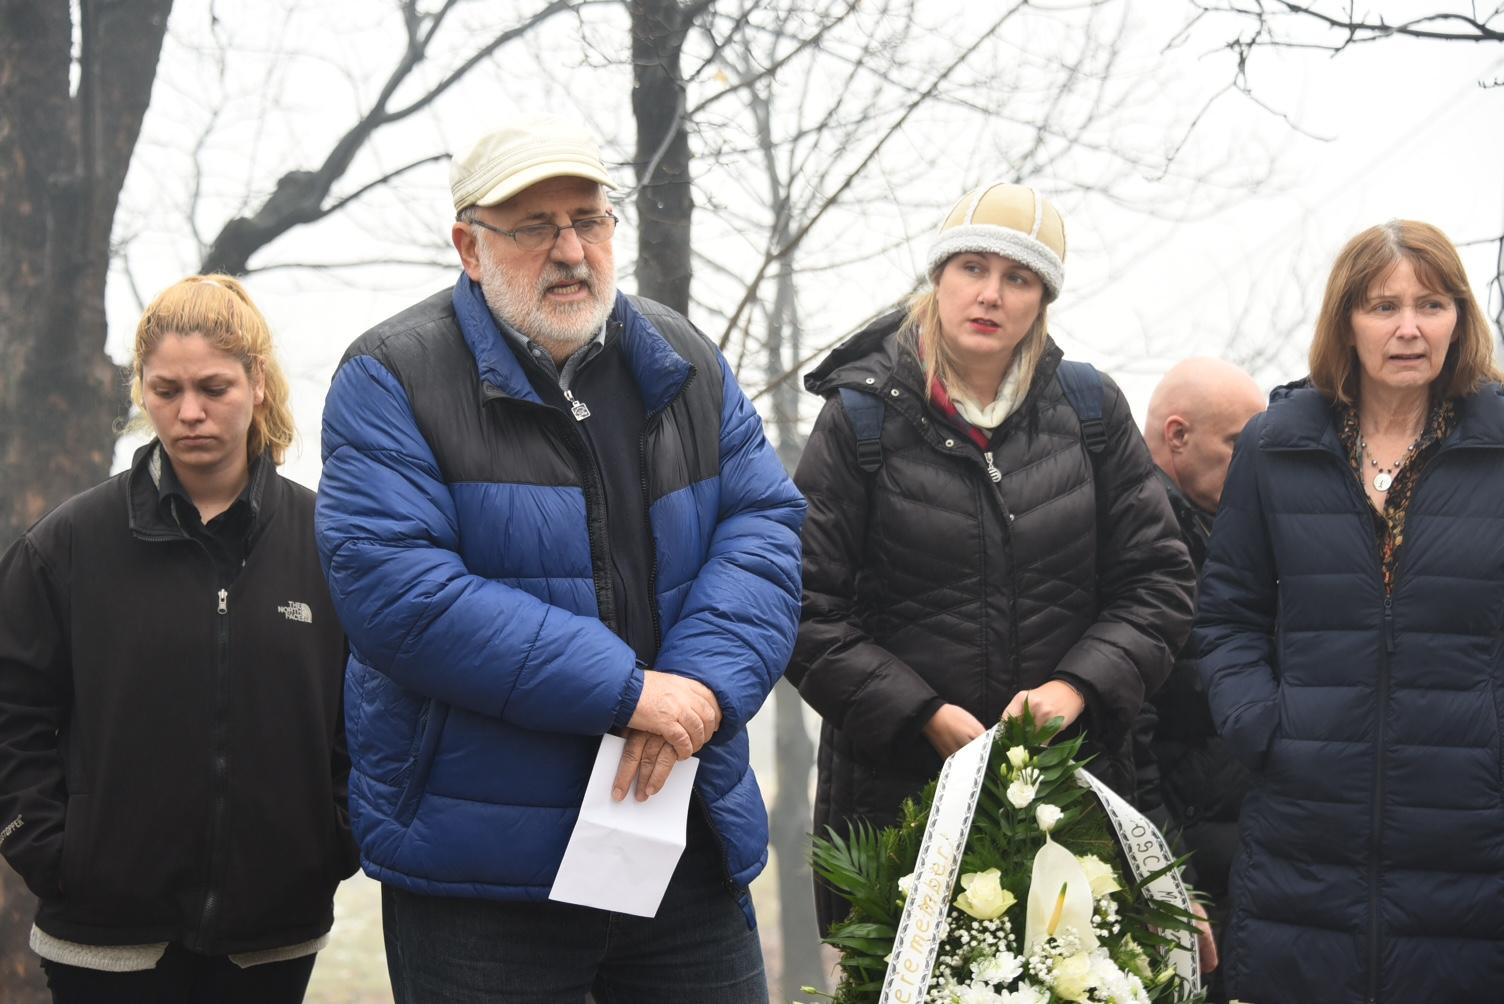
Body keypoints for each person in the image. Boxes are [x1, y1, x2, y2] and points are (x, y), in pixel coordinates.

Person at [314, 116, 804, 1002]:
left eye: (590, 218)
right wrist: (627, 692)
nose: (572, 250)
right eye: (535, 226)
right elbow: (399, 592)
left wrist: (694, 689)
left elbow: (764, 526)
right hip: (483, 878)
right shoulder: (390, 375)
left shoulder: (683, 357)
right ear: (469, 245)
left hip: (679, 842)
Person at [788, 181, 1196, 933]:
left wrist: (1076, 689)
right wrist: (922, 714)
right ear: (938, 278)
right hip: (897, 806)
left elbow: (1159, 583)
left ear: (1042, 299)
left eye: (1018, 277)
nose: (991, 294)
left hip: (1068, 797)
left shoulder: (1090, 412)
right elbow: (800, 607)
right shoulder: (860, 419)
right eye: (972, 268)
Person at [0, 276, 355, 1003]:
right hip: (102, 939)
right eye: (166, 390)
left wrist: (333, 840)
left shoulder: (328, 545)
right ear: (142, 389)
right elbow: (13, 712)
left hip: (272, 935)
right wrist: (49, 849)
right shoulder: (65, 545)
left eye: (213, 387)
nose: (189, 412)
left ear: (257, 383)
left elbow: (370, 713)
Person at [1195, 220, 1504, 1003]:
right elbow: (1226, 614)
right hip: (1303, 825)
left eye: (1432, 305)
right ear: (1346, 322)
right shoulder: (1274, 447)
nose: (1408, 328)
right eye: (1382, 306)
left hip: (1469, 824)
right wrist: (1262, 723)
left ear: (1459, 321)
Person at [1133, 357, 1265, 999]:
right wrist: (1166, 875)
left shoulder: (1219, 533)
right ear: (1177, 436)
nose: (1257, 462)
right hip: (1185, 877)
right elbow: (1131, 727)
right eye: (1240, 443)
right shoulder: (1145, 544)